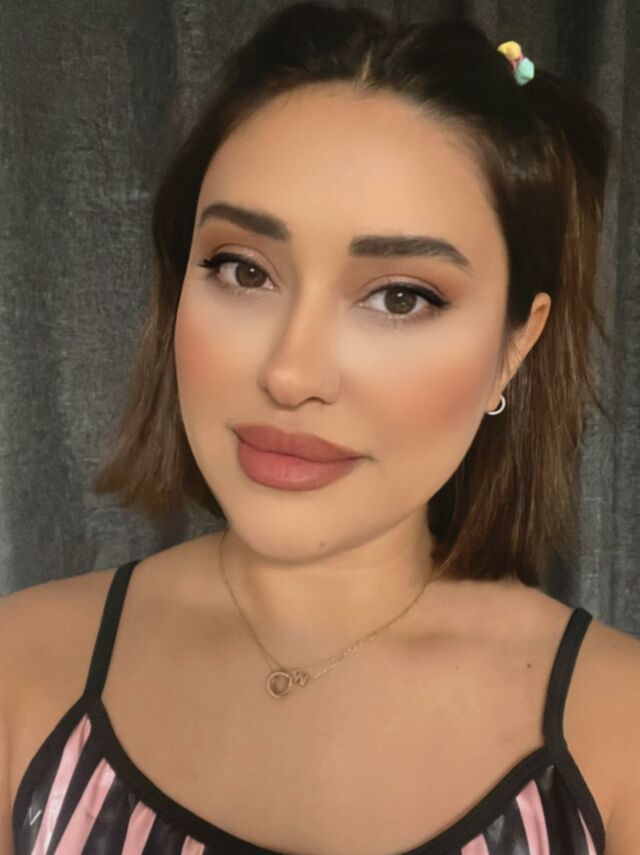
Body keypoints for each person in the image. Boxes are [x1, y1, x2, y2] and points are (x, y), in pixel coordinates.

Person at [2, 3, 639, 853]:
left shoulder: (620, 735)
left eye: (401, 297)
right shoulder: (19, 671)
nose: (290, 373)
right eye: (243, 270)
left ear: (515, 347)